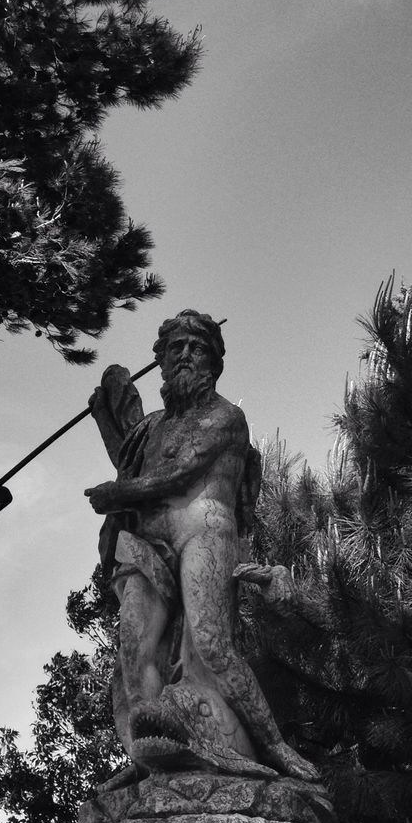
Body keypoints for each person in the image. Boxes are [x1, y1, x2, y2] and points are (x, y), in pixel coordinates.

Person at [86, 310, 317, 782]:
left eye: (198, 348)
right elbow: (134, 466)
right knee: (133, 645)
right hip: (150, 538)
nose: (187, 356)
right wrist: (106, 417)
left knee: (211, 643)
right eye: (177, 349)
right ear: (163, 362)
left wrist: (119, 495)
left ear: (214, 361)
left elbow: (181, 473)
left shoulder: (226, 417)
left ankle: (274, 746)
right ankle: (147, 753)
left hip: (204, 531)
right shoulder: (152, 427)